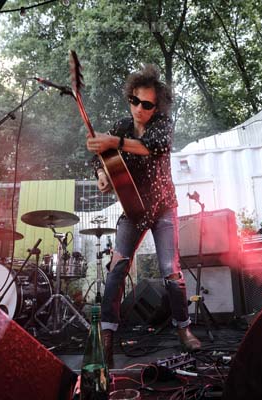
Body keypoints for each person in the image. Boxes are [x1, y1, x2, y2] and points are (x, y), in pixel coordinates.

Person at [86, 64, 201, 368]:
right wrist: (101, 173)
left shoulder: (163, 125)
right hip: (133, 210)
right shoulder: (122, 126)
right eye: (134, 101)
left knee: (170, 270)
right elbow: (97, 155)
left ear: (157, 106)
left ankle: (183, 328)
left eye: (147, 104)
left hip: (163, 207)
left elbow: (152, 147)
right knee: (117, 267)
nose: (139, 109)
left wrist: (114, 143)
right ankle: (108, 335)